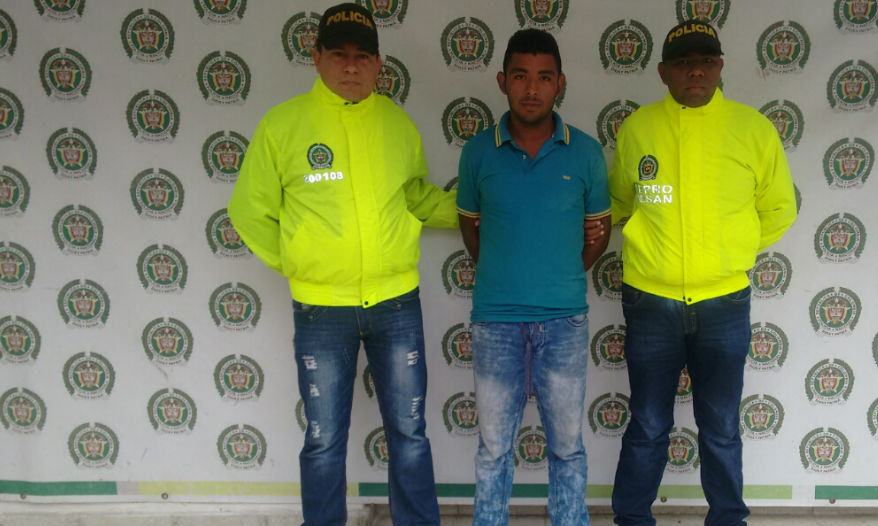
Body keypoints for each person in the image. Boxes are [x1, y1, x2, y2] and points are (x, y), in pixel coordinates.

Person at [227, 4, 456, 525]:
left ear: (379, 64)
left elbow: (414, 196)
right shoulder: (283, 125)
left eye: (362, 56)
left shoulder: (396, 124)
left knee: (410, 433)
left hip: (396, 303)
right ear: (316, 58)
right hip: (321, 310)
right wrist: (302, 261)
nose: (351, 66)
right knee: (324, 439)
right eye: (338, 54)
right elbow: (249, 211)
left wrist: (473, 209)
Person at [608, 20, 797, 526]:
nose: (696, 71)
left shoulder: (753, 129)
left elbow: (779, 209)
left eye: (706, 61)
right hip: (651, 301)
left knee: (721, 426)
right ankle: (632, 519)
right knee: (648, 424)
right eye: (684, 62)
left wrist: (728, 253)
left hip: (724, 302)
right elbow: (620, 200)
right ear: (662, 72)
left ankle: (728, 519)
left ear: (720, 67)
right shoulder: (638, 128)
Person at [456, 29, 612, 526]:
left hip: (564, 322)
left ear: (560, 84)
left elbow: (599, 232)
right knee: (493, 450)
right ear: (502, 81)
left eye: (544, 77)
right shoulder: (478, 152)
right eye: (521, 76)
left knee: (566, 447)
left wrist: (559, 271)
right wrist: (506, 271)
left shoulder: (585, 152)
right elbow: (470, 226)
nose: (532, 88)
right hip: (495, 322)